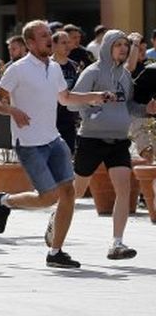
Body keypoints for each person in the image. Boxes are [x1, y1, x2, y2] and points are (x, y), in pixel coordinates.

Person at [0, 19, 111, 268]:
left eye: (49, 34)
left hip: (53, 139)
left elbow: (65, 98)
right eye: (43, 35)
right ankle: (4, 201)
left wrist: (93, 97)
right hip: (29, 143)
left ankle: (56, 252)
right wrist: (12, 110)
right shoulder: (18, 69)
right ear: (30, 42)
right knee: (47, 198)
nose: (49, 38)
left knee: (68, 193)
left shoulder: (54, 68)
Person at [62, 30, 156, 260]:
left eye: (126, 45)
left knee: (124, 190)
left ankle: (117, 243)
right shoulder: (92, 72)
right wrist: (94, 100)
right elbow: (72, 103)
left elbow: (130, 107)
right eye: (118, 45)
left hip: (118, 141)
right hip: (92, 140)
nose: (123, 49)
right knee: (75, 192)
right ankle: (56, 223)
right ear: (107, 47)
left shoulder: (124, 75)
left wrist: (147, 110)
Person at [50, 31, 79, 153]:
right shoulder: (47, 65)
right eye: (63, 43)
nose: (67, 46)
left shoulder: (74, 66)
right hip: (50, 118)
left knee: (68, 153)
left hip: (68, 118)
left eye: (68, 42)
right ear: (54, 45)